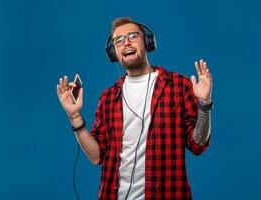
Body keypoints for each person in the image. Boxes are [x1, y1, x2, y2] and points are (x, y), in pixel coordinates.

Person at [57, 17, 213, 200]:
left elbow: (198, 144)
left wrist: (204, 104)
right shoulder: (108, 98)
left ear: (147, 43)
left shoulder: (178, 86)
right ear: (113, 52)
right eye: (119, 40)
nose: (126, 42)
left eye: (133, 36)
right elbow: (96, 156)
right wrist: (74, 115)